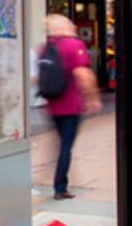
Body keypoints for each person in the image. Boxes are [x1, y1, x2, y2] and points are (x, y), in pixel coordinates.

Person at [42, 14, 99, 199]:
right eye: (69, 23)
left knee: (61, 144)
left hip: (53, 105)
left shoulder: (46, 47)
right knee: (66, 146)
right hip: (70, 106)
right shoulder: (74, 45)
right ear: (65, 27)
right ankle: (60, 188)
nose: (73, 25)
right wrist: (92, 97)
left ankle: (58, 179)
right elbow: (82, 74)